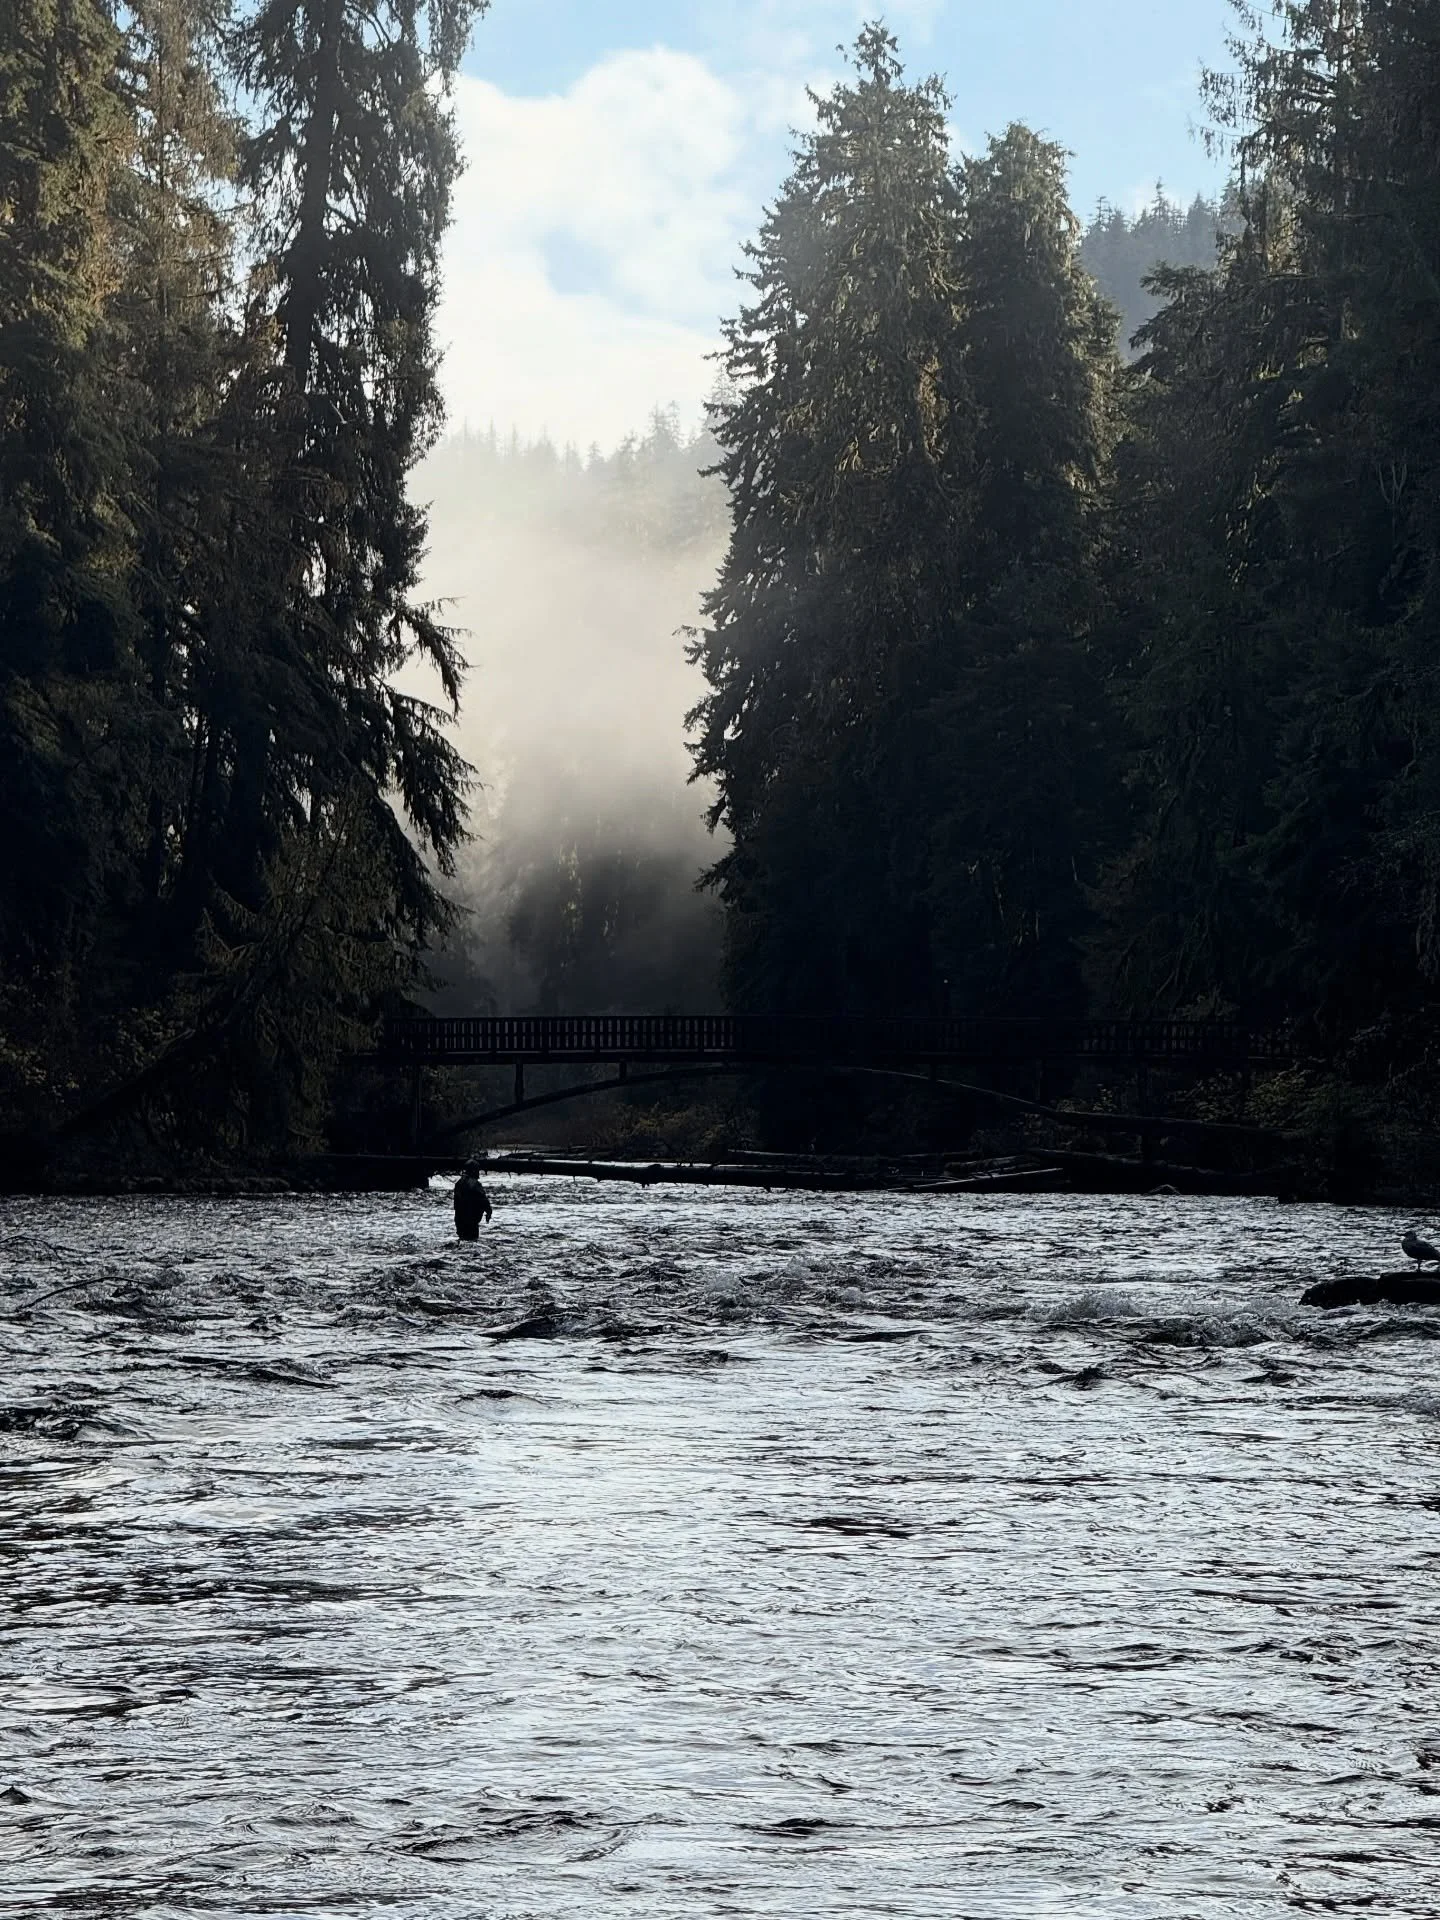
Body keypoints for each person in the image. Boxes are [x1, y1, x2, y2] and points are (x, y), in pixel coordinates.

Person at [453, 1161, 493, 1240]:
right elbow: (483, 1200)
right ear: (474, 1171)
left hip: (459, 1219)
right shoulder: (475, 1184)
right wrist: (489, 1212)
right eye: (477, 1170)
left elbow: (456, 1203)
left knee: (462, 1240)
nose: (478, 1173)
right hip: (471, 1221)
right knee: (472, 1241)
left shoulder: (459, 1183)